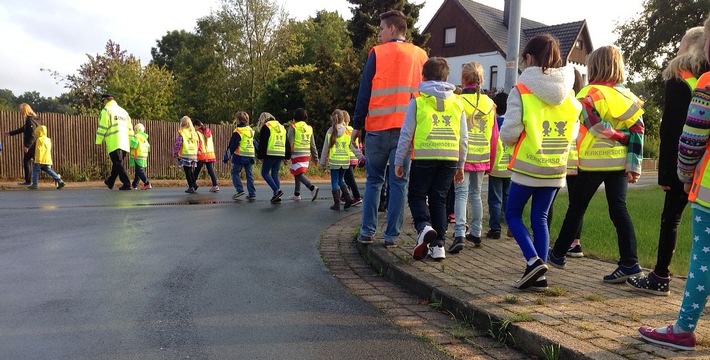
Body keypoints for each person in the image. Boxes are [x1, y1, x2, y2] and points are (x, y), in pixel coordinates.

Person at [637, 13, 710, 351]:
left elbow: (687, 138)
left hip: (705, 188)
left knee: (702, 259)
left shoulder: (702, 83)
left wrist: (680, 174)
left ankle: (682, 327)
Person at [548, 45, 645, 284]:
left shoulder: (588, 94)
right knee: (619, 211)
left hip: (592, 162)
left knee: (577, 208)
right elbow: (639, 132)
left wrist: (619, 136)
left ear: (594, 66)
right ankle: (630, 263)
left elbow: (593, 125)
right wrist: (634, 166)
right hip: (619, 164)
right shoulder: (630, 98)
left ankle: (558, 254)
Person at [500, 34, 582, 291]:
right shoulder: (569, 93)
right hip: (555, 166)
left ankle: (534, 261)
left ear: (529, 58)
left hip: (527, 165)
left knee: (512, 214)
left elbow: (510, 131)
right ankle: (540, 273)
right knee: (541, 217)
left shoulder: (522, 89)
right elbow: (574, 131)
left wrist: (508, 140)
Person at [351, 9, 428, 246]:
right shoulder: (421, 55)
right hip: (406, 132)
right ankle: (392, 236)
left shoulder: (377, 53)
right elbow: (426, 94)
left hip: (377, 128)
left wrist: (357, 125)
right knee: (399, 183)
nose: (379, 34)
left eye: (382, 29)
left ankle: (366, 232)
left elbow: (365, 91)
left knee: (374, 181)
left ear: (392, 28)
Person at [394, 57, 467, 260]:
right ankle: (439, 246)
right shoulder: (457, 101)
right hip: (450, 157)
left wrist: (399, 160)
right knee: (439, 199)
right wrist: (461, 165)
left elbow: (406, 134)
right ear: (446, 77)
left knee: (416, 196)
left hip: (425, 155)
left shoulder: (418, 99)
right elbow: (464, 137)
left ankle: (424, 226)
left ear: (423, 76)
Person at [450, 61, 497, 253]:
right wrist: (491, 162)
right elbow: (495, 136)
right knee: (476, 195)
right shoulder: (490, 104)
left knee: (461, 194)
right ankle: (476, 232)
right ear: (482, 79)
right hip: (482, 155)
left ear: (462, 79)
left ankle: (459, 232)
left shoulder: (458, 101)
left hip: (463, 154)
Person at [547, 67, 585, 257]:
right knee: (576, 204)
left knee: (548, 200)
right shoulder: (584, 104)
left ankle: (543, 240)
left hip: (560, 157)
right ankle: (575, 243)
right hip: (580, 160)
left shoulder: (563, 103)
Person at [320, 109, 364, 211]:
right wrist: (361, 157)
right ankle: (348, 198)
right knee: (341, 180)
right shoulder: (347, 131)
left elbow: (325, 148)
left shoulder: (330, 131)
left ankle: (337, 203)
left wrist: (322, 163)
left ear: (332, 118)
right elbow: (353, 147)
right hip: (345, 161)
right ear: (343, 119)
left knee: (334, 181)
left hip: (334, 161)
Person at [486, 92, 512, 239]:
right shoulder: (511, 123)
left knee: (495, 199)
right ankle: (510, 225)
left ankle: (495, 228)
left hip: (496, 166)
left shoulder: (494, 123)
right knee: (507, 197)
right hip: (509, 166)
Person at [96, 94, 133, 191]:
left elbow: (102, 127)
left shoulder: (107, 110)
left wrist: (98, 141)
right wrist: (131, 141)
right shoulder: (124, 112)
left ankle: (127, 183)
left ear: (106, 100)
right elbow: (130, 128)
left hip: (114, 141)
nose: (103, 103)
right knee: (117, 163)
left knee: (117, 163)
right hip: (125, 142)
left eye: (103, 101)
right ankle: (110, 181)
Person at [257, 112, 291, 204]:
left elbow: (263, 143)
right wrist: (287, 155)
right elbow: (286, 142)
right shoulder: (281, 127)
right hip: (280, 152)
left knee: (264, 172)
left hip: (270, 152)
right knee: (274, 173)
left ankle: (277, 190)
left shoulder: (267, 126)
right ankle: (276, 195)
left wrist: (260, 155)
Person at [287, 108, 319, 201]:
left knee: (297, 173)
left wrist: (286, 156)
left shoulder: (293, 127)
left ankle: (312, 187)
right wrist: (315, 158)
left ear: (294, 117)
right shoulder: (309, 128)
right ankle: (297, 194)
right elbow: (313, 144)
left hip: (296, 153)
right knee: (298, 172)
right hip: (306, 154)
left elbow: (289, 143)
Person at [4, 103, 40, 185]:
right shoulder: (34, 119)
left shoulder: (30, 120)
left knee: (32, 162)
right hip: (34, 144)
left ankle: (56, 178)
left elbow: (32, 134)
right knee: (36, 163)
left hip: (32, 145)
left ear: (25, 110)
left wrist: (27, 146)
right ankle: (29, 181)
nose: (20, 112)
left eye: (21, 110)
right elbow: (23, 129)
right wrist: (10, 133)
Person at [224, 111, 257, 201]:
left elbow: (232, 145)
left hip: (241, 155)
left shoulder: (238, 131)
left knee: (235, 172)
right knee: (249, 175)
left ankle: (239, 189)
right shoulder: (250, 130)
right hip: (250, 154)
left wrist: (227, 156)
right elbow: (254, 142)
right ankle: (252, 193)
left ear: (238, 120)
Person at [27, 125, 65, 190]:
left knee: (35, 170)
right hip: (47, 158)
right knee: (49, 170)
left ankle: (35, 184)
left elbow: (38, 149)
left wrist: (37, 159)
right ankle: (59, 180)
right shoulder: (48, 140)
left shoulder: (39, 140)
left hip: (40, 158)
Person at [173, 116, 200, 193]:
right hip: (193, 154)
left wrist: (175, 153)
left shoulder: (182, 132)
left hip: (185, 154)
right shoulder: (194, 133)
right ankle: (194, 184)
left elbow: (178, 144)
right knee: (190, 170)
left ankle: (191, 186)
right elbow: (198, 143)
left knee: (187, 171)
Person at [193, 119, 220, 193]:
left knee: (197, 170)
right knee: (210, 170)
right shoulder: (208, 132)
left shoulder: (197, 133)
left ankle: (192, 185)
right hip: (210, 154)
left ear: (196, 126)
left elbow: (198, 144)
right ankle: (215, 185)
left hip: (202, 154)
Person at [342, 110, 363, 205]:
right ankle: (344, 196)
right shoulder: (352, 129)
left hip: (348, 157)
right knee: (348, 178)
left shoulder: (344, 130)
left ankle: (356, 196)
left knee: (349, 179)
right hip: (355, 157)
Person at [129, 123, 151, 190]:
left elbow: (133, 145)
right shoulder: (144, 138)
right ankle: (134, 184)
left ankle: (147, 183)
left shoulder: (136, 136)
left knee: (140, 170)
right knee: (138, 170)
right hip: (143, 155)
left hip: (137, 155)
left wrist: (129, 141)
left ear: (136, 130)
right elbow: (148, 147)